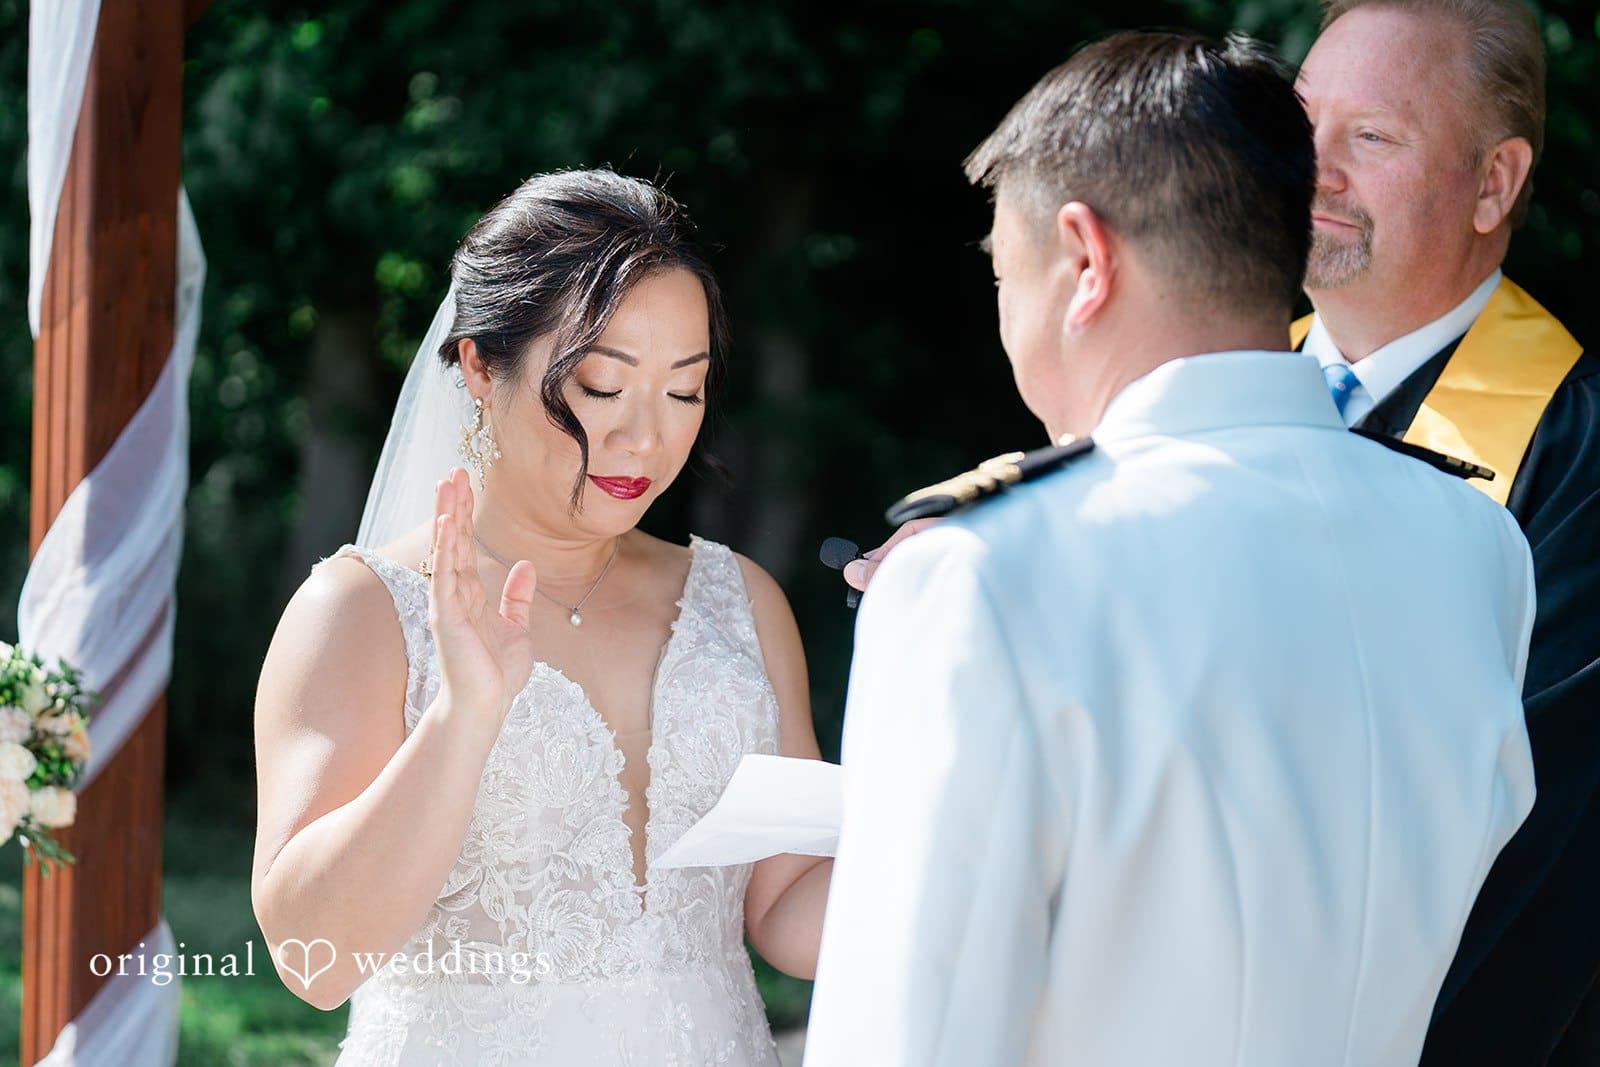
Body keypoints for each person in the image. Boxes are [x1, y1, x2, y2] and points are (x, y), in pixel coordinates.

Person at [804, 32, 1536, 1066]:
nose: (1009, 316)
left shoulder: (984, 574)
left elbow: (907, 1032)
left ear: (1084, 260)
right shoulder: (1477, 544)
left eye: (1007, 272)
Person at [251, 169, 832, 1065]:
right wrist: (461, 720)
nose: (648, 437)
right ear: (480, 364)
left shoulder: (741, 603)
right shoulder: (361, 609)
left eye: (685, 392)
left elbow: (790, 905)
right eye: (603, 388)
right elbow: (311, 960)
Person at [1295, 3, 1600, 1061]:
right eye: (1300, 125)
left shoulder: (1576, 452)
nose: (1314, 169)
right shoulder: (1206, 381)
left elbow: (1546, 844)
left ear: (1493, 183)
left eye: (1370, 137)